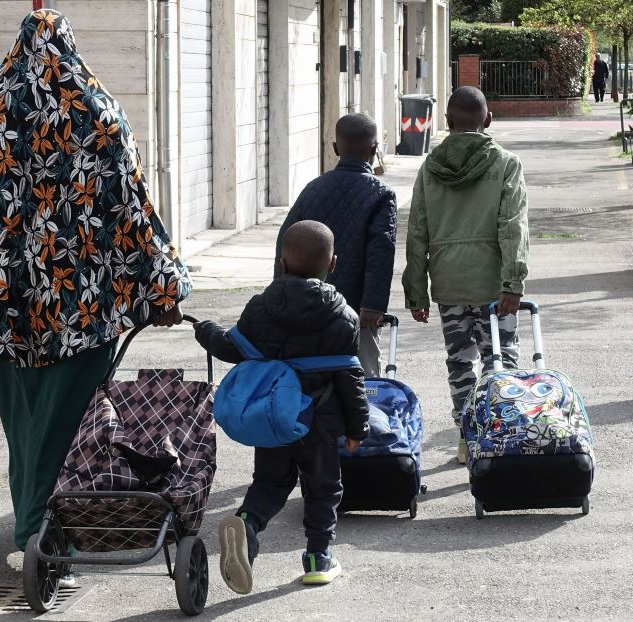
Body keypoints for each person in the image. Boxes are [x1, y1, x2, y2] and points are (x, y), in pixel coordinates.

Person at [0, 9, 192, 563]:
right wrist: (163, 283)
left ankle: (35, 526)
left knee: (23, 424)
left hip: (7, 310)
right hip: (82, 309)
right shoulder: (96, 113)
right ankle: (43, 536)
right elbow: (130, 206)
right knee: (71, 423)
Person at [194, 221, 370, 593]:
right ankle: (318, 558)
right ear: (333, 263)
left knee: (271, 482)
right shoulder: (343, 317)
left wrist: (205, 329)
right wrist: (358, 428)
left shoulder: (261, 308)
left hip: (271, 416)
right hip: (318, 422)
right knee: (323, 489)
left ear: (282, 263)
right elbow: (349, 379)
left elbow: (231, 348)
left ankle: (248, 524)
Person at [402, 86, 529, 464]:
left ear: (447, 121)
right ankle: (501, 431)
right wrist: (513, 281)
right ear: (487, 120)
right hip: (494, 286)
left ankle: (466, 435)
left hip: (448, 283)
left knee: (461, 362)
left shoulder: (430, 166)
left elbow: (417, 231)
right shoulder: (506, 163)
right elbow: (513, 226)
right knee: (500, 360)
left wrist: (417, 292)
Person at [274, 114, 397, 378]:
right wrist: (373, 306)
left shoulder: (312, 189)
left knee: (309, 376)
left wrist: (281, 294)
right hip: (356, 310)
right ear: (375, 150)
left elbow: (285, 241)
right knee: (361, 378)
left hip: (307, 306)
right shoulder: (381, 194)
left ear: (335, 148)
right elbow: (381, 252)